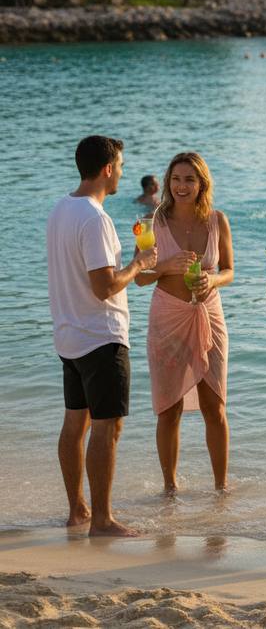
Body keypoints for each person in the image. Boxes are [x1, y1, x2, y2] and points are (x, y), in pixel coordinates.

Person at [47, 135, 157, 536]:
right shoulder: (95, 219)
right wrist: (139, 262)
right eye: (121, 166)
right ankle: (103, 519)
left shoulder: (62, 208)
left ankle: (78, 510)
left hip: (70, 334)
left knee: (76, 422)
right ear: (108, 168)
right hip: (100, 335)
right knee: (107, 426)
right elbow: (105, 286)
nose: (123, 173)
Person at [135, 152, 234, 493]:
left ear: (202, 183)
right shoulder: (152, 223)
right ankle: (170, 488)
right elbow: (139, 277)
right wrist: (167, 266)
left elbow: (229, 271)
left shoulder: (218, 220)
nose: (181, 186)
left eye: (189, 179)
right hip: (168, 317)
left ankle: (221, 488)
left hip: (209, 315)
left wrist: (212, 281)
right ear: (167, 182)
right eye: (176, 179)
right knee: (169, 407)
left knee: (215, 405)